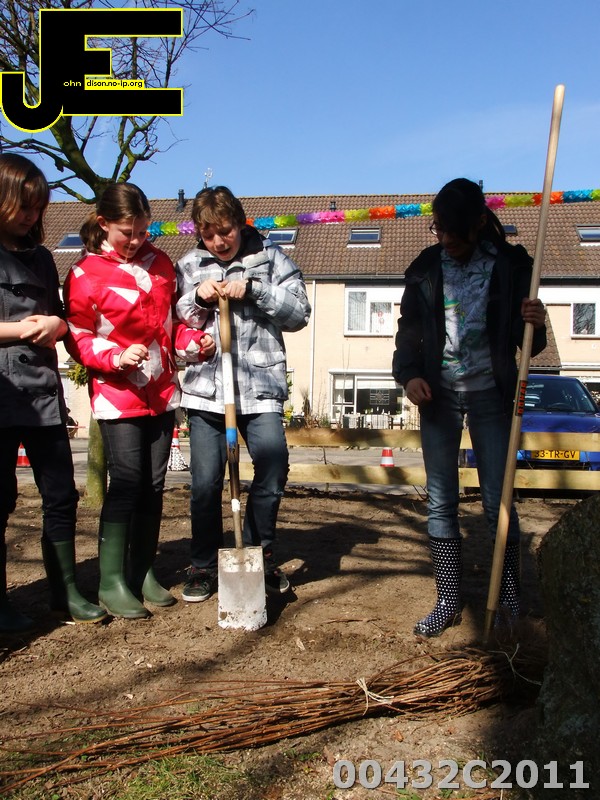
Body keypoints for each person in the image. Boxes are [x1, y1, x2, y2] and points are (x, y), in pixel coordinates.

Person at [392, 178, 547, 637]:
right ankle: (447, 600)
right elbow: (408, 329)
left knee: (499, 502)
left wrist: (536, 323)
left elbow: (531, 344)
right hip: (437, 395)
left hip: (490, 394)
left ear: (479, 224)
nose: (445, 240)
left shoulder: (513, 266)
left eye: (454, 233)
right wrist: (409, 374)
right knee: (441, 500)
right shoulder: (425, 268)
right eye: (439, 230)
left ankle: (508, 594)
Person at [64, 182, 215, 620]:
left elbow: (170, 326)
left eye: (143, 232)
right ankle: (111, 582)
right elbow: (77, 335)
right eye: (126, 232)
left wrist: (193, 343)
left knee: (153, 483)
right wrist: (114, 356)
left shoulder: (162, 264)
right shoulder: (84, 273)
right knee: (127, 482)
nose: (135, 241)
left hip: (162, 391)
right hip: (118, 393)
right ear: (103, 223)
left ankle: (141, 570)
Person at [175, 186, 311, 601]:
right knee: (204, 483)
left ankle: (257, 553)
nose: (219, 241)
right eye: (209, 234)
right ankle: (202, 564)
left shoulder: (272, 259)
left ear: (240, 222)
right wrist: (197, 298)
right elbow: (175, 320)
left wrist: (255, 289)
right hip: (206, 392)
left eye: (226, 231)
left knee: (273, 464)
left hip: (260, 390)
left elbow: (300, 313)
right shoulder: (189, 265)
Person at [0, 153, 107, 632]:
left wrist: (58, 325)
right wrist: (21, 330)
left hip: (43, 395)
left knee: (61, 494)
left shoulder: (43, 257)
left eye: (38, 208)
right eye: (24, 206)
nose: (31, 216)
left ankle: (65, 593)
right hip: (2, 395)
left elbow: (62, 317)